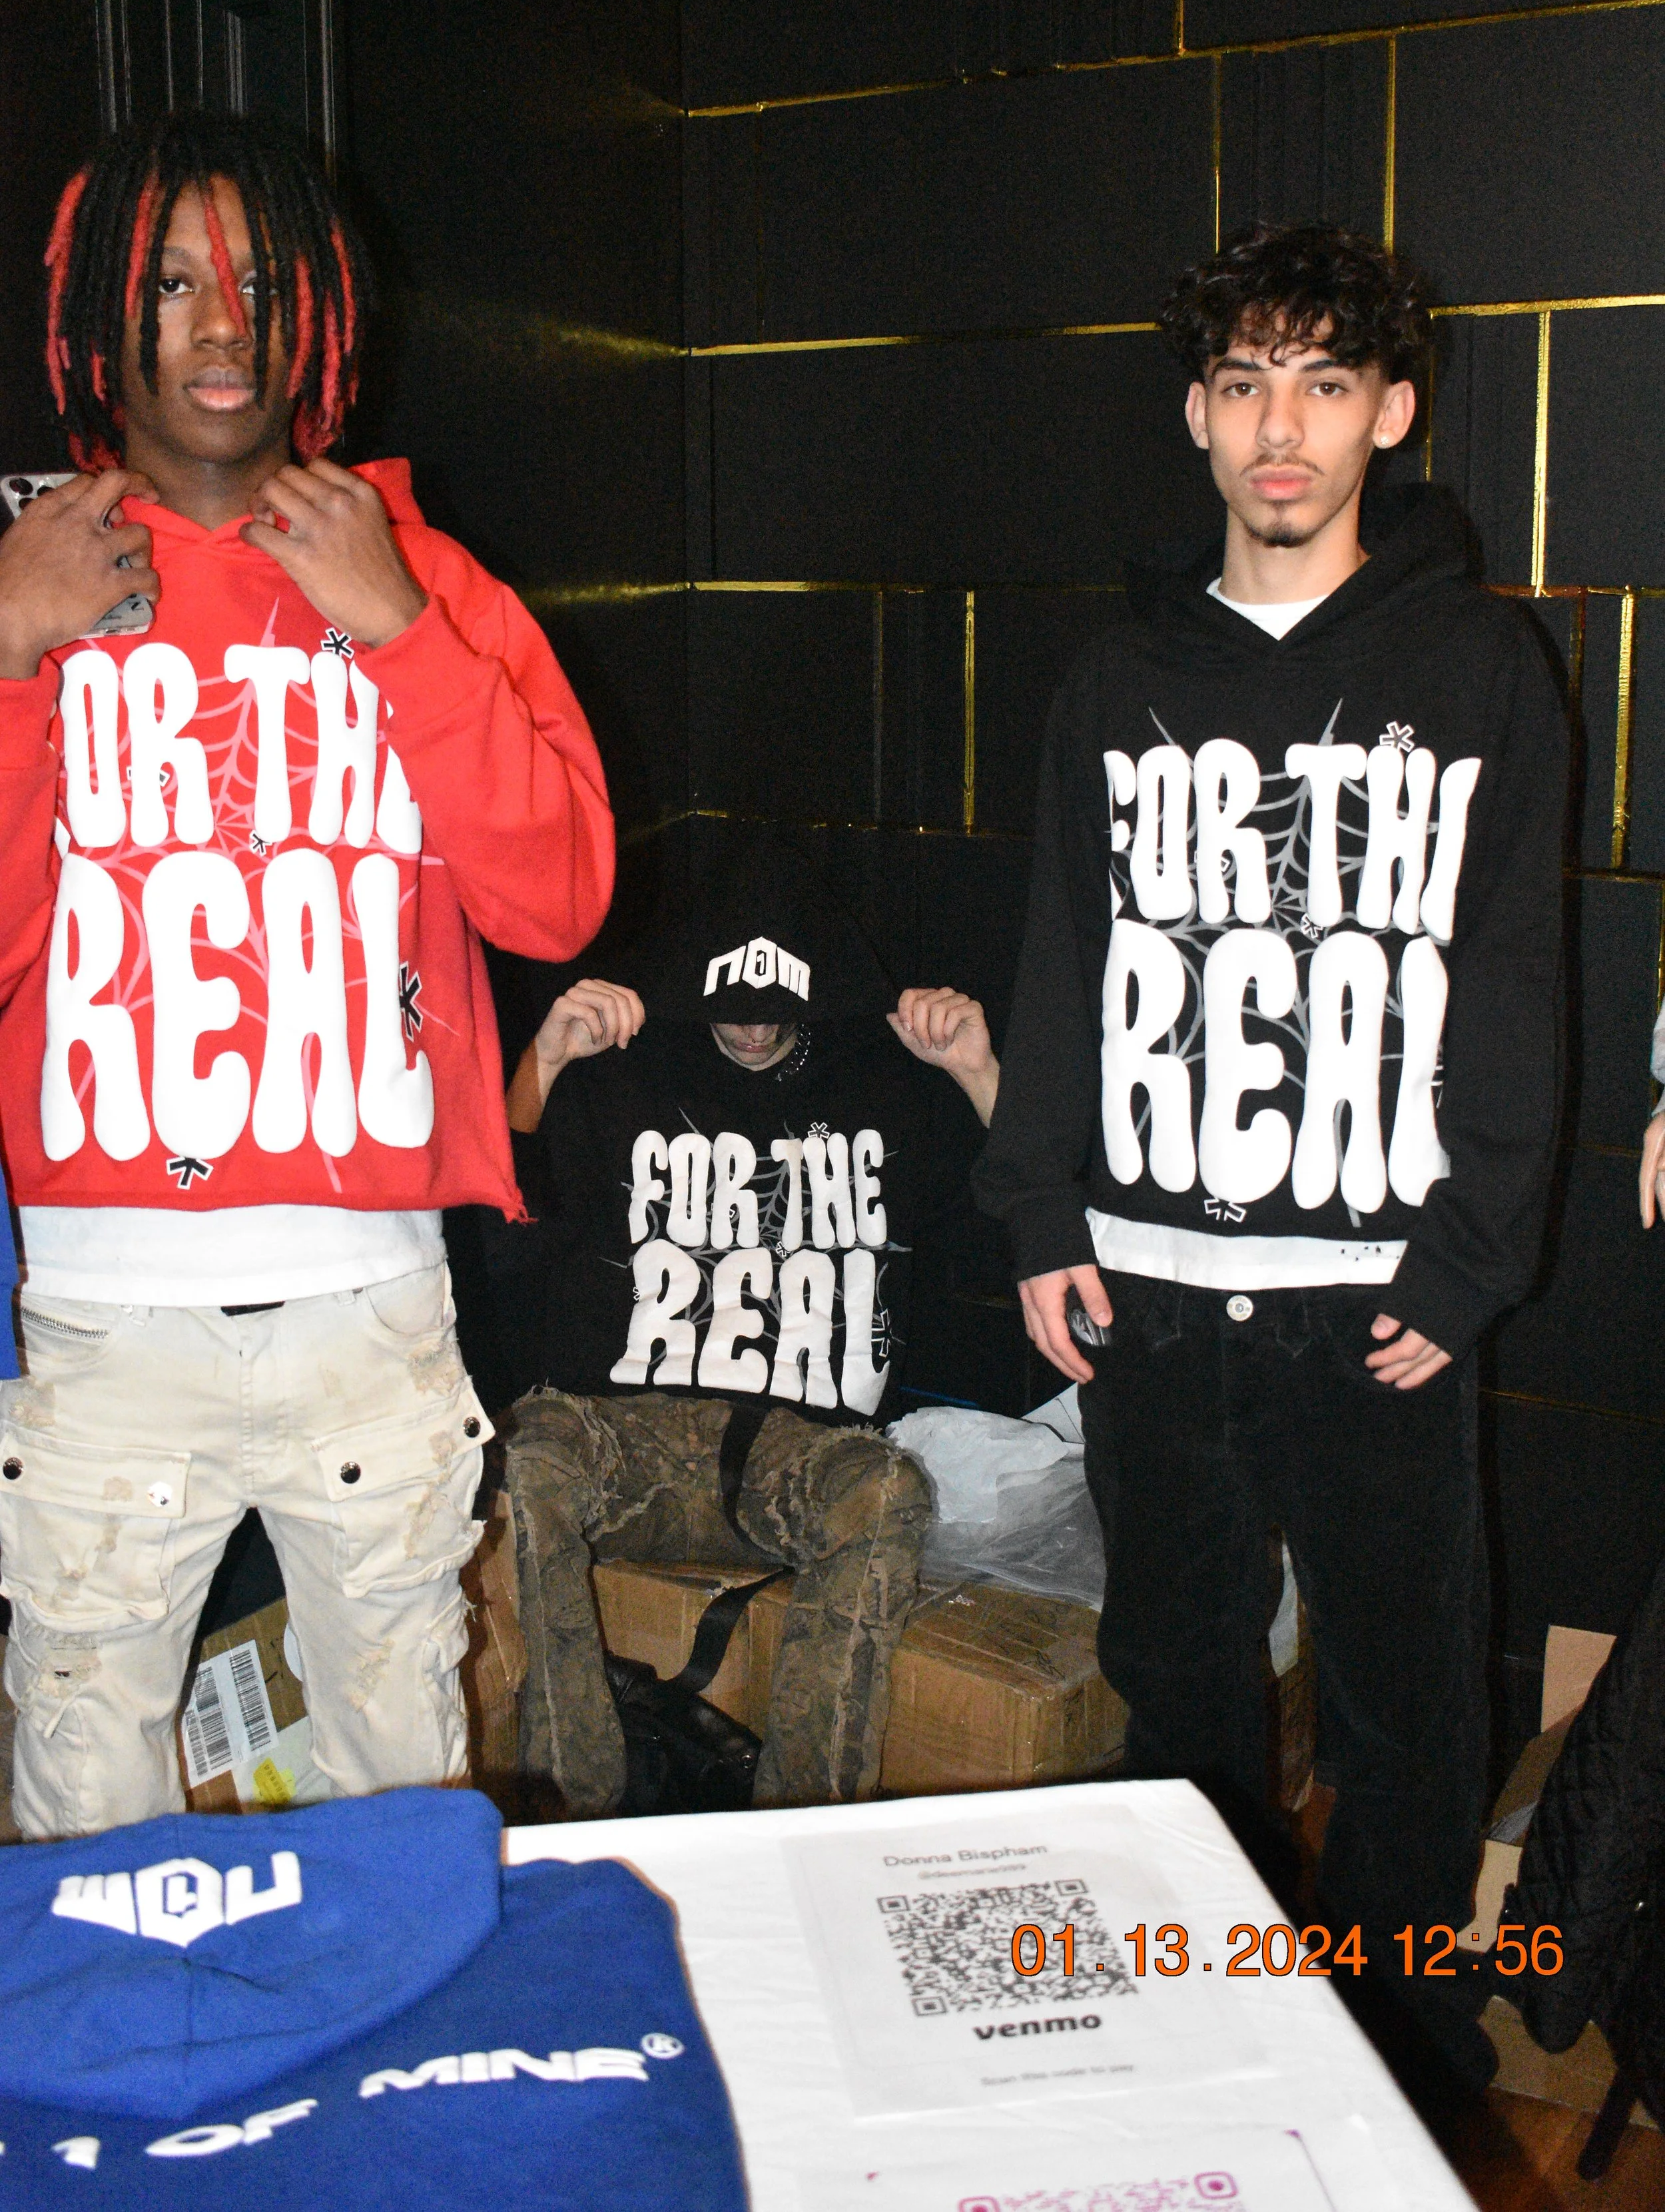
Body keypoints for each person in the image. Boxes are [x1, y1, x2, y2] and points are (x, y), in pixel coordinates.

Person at [974, 222, 1567, 2091]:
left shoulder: (1481, 665)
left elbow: (1516, 977)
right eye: (1242, 383)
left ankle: (1394, 2062)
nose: (1279, 425)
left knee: (1405, 1717)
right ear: (1193, 415)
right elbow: (1060, 951)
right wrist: (1034, 1208)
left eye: (1322, 381)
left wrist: (1469, 1257)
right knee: (1178, 1695)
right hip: (1151, 1287)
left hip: (1373, 1307)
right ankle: (1197, 2039)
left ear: (1389, 411)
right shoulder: (1111, 675)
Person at [0, 111, 613, 1836]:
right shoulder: (28, 581)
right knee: (85, 1807)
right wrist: (8, 654)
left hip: (369, 1306)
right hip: (110, 1312)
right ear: (95, 317)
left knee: (393, 1791)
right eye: (170, 281)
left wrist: (400, 630)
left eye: (257, 285)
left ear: (321, 315)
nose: (215, 325)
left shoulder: (431, 578)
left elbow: (557, 895)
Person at [503, 839, 1000, 1813]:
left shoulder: (888, 1078)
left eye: (779, 1007)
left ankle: (802, 1827)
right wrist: (547, 1058)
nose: (756, 1027)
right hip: (626, 1431)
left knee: (888, 1490)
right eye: (735, 1001)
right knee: (526, 1461)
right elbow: (487, 1213)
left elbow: (1023, 1242)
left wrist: (981, 1075)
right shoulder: (621, 1066)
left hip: (804, 1450)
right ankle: (574, 1810)